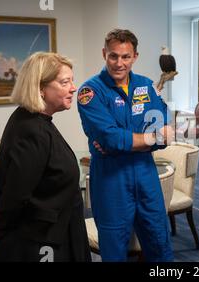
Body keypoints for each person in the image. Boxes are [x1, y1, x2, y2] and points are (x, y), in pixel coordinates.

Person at [0, 52, 91, 262]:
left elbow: (30, 188)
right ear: (40, 88)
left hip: (53, 232)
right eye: (65, 82)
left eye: (72, 81)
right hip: (41, 243)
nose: (74, 88)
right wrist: (0, 227)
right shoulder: (32, 130)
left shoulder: (36, 121)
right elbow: (16, 194)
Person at [77, 29, 174, 262]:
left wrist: (125, 142)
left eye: (126, 57)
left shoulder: (145, 86)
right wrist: (149, 138)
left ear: (135, 56)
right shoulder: (90, 91)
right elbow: (111, 138)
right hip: (111, 180)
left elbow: (164, 133)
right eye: (113, 56)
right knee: (114, 250)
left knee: (159, 243)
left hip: (146, 175)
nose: (119, 63)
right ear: (104, 54)